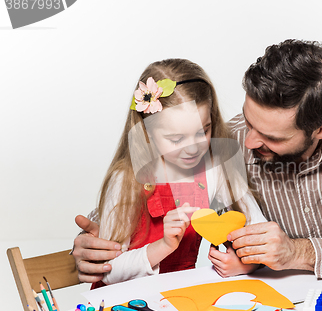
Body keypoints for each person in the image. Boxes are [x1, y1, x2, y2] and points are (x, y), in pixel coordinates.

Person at [73, 40, 322, 282]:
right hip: (284, 303)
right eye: (248, 121)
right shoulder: (224, 143)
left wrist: (300, 251)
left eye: (272, 137)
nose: (247, 142)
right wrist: (91, 242)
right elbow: (131, 203)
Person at [80, 58, 266, 287]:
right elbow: (107, 272)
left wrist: (245, 263)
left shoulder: (215, 169)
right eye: (176, 139)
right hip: (123, 304)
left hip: (180, 296)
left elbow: (260, 233)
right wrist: (164, 246)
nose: (193, 148)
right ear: (147, 134)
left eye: (203, 132)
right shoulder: (125, 181)